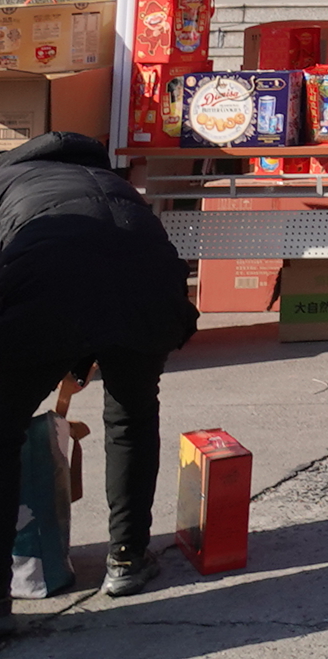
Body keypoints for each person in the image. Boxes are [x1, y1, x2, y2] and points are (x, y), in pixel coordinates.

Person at [0, 131, 197, 617]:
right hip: (150, 290)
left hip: (47, 283)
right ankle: (128, 558)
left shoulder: (10, 181)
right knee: (132, 417)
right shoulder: (114, 184)